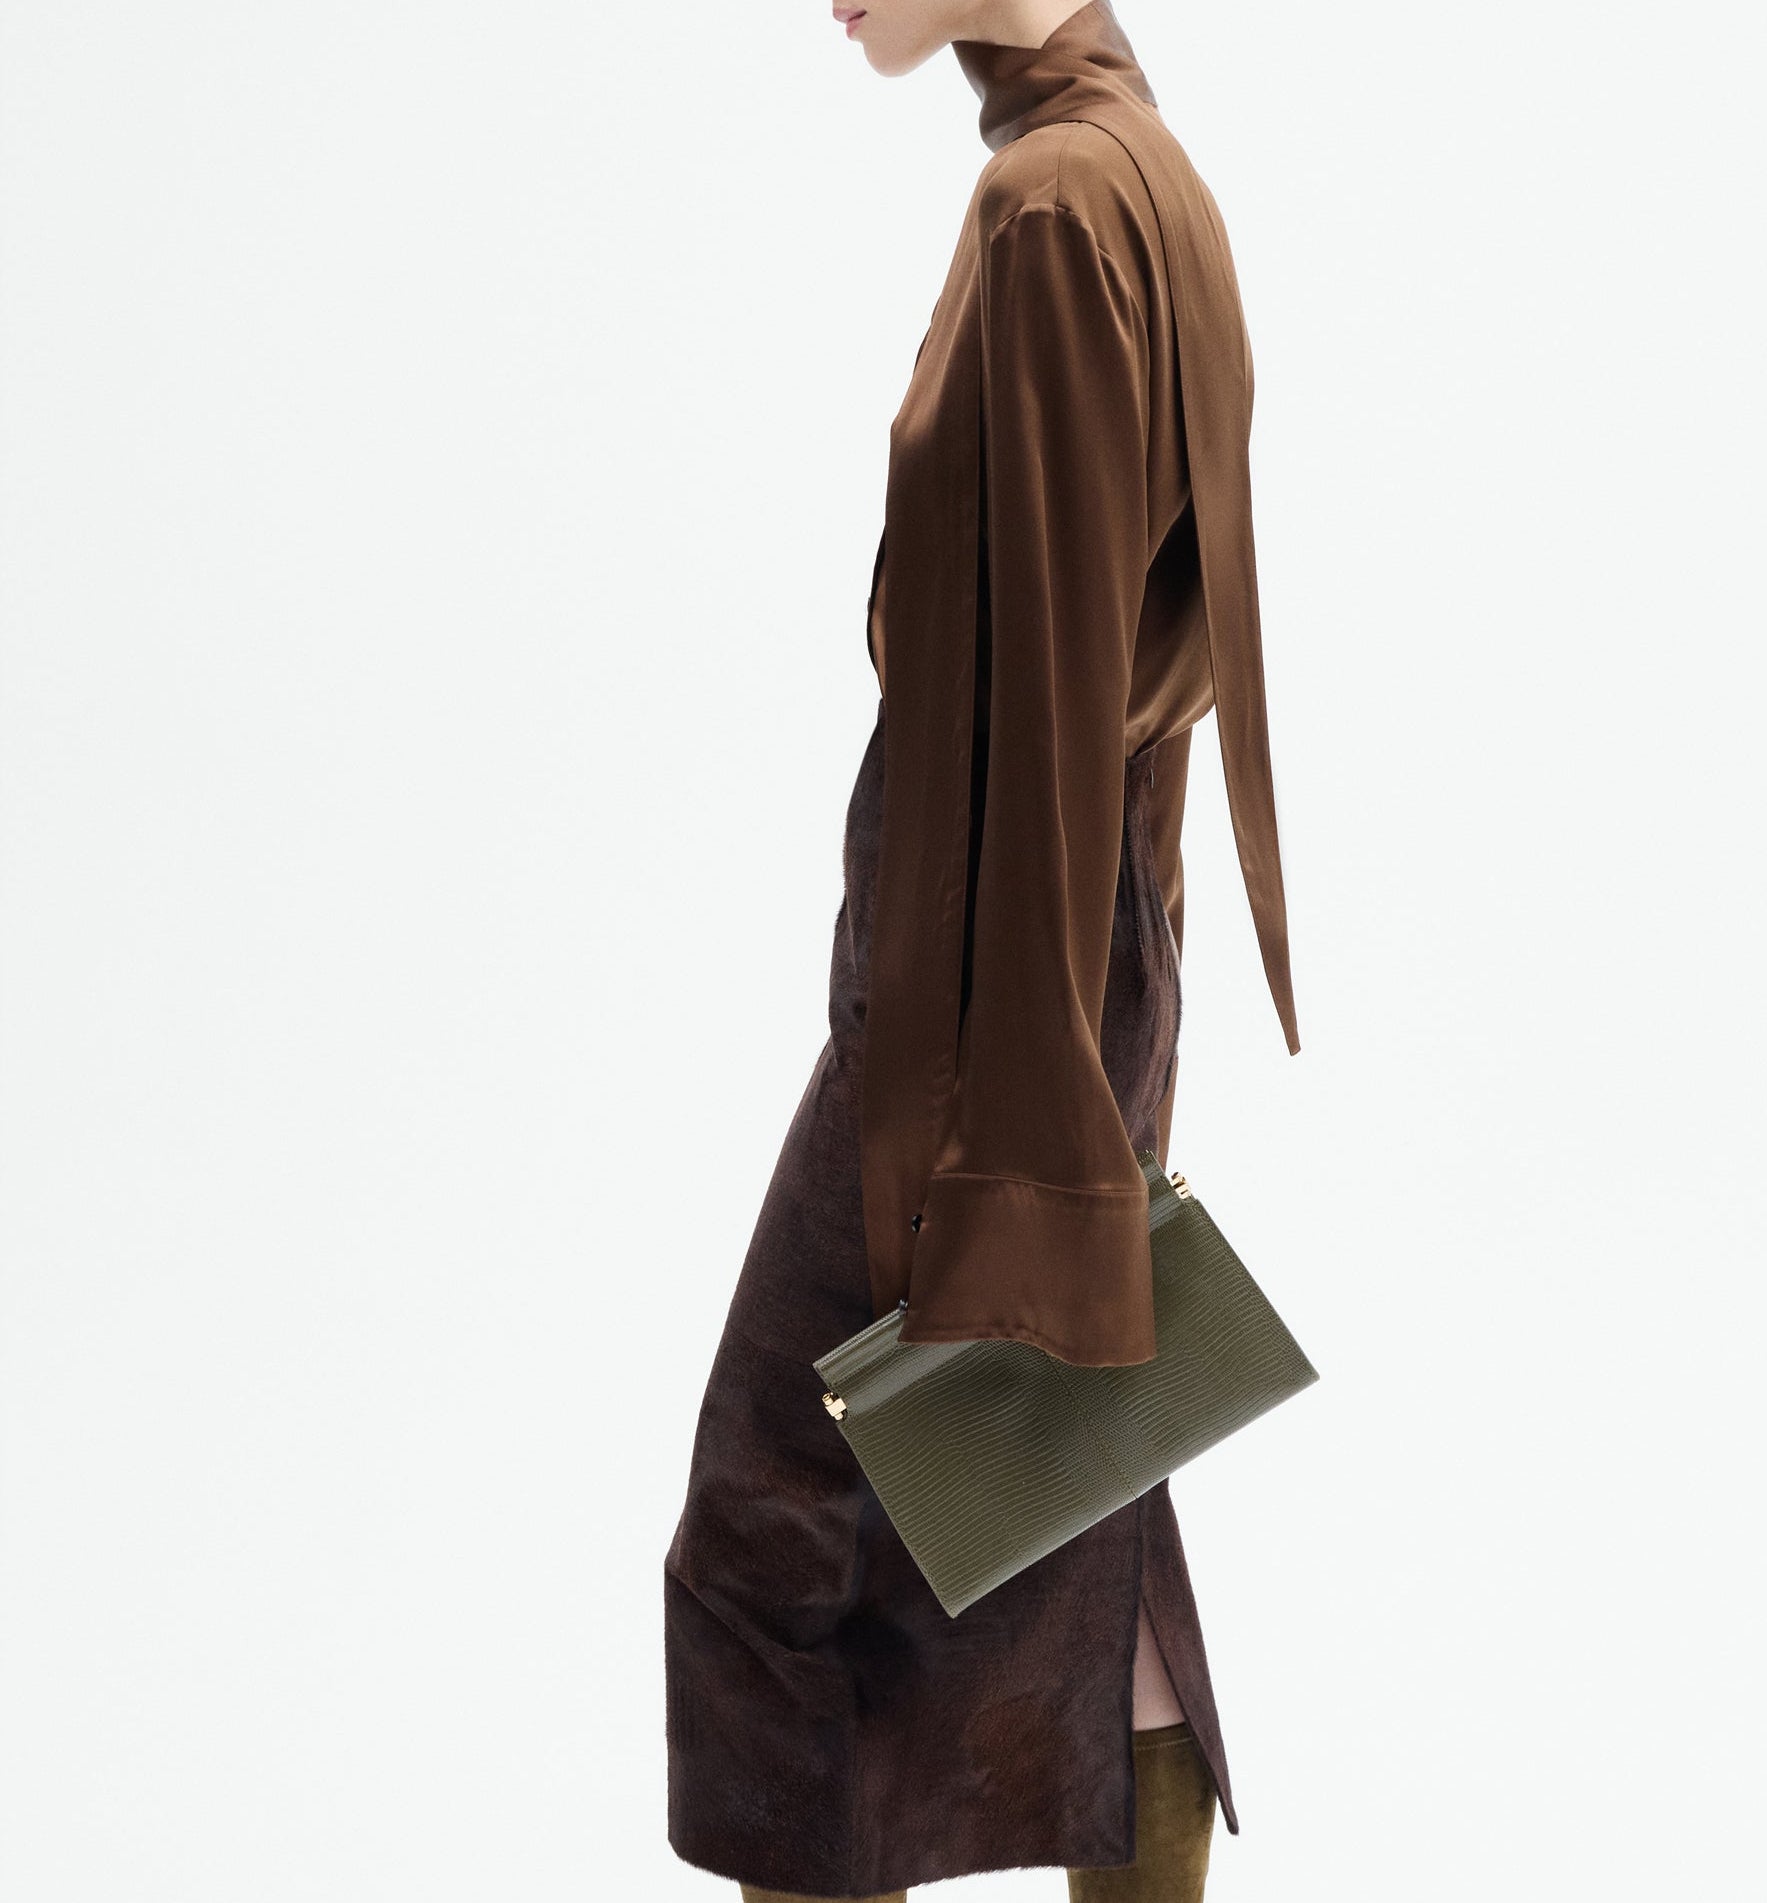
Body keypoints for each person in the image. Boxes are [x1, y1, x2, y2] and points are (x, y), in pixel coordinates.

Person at [663, 3, 1302, 1897]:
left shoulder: (1052, 205)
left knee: (770, 1537)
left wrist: (1007, 1127)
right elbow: (1132, 681)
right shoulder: (1128, 164)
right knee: (1059, 1489)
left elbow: (1056, 700)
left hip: (980, 984)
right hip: (1057, 947)